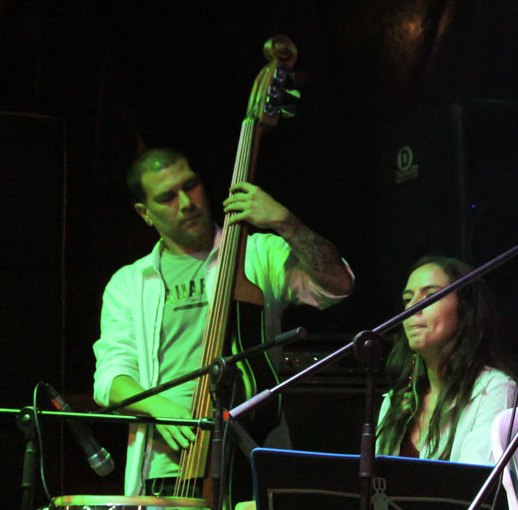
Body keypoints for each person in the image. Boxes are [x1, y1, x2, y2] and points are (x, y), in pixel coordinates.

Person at [93, 147, 355, 497]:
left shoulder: (257, 252)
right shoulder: (129, 282)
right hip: (166, 470)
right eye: (167, 197)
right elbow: (110, 378)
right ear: (145, 213)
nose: (186, 203)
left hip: (253, 458)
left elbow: (338, 285)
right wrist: (160, 408)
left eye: (190, 186)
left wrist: (285, 223)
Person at [375, 255, 517, 463]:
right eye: (407, 299)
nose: (413, 307)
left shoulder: (494, 390)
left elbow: (474, 479)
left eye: (430, 295)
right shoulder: (395, 401)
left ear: (465, 309)